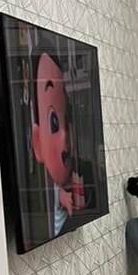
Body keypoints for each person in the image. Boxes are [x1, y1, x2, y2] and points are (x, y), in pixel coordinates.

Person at [30, 48, 92, 237]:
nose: (66, 134)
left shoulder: (78, 172)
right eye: (54, 122)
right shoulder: (40, 189)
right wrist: (59, 195)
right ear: (37, 141)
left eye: (67, 120)